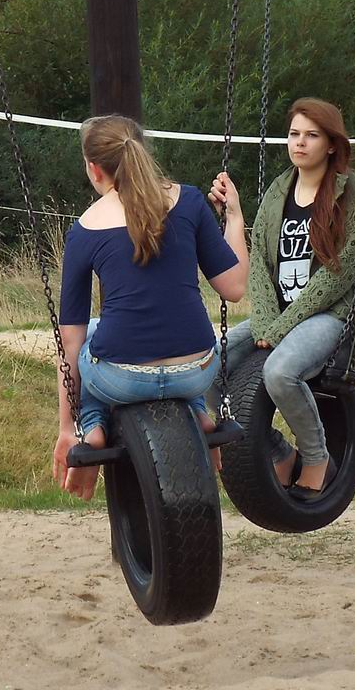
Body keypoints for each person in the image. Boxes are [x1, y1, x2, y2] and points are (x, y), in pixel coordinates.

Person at [52, 114, 250, 501]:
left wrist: (66, 427)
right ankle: (197, 411)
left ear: (94, 168)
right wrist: (234, 216)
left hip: (122, 380)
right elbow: (235, 287)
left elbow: (69, 341)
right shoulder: (189, 200)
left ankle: (92, 425)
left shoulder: (85, 228)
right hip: (196, 372)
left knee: (91, 334)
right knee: (168, 337)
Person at [206, 97, 355, 501]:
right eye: (294, 134)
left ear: (332, 144)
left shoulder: (352, 193)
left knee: (280, 372)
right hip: (279, 313)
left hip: (330, 313)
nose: (300, 143)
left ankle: (318, 458)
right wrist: (266, 320)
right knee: (207, 370)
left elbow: (340, 273)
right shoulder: (278, 190)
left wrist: (281, 328)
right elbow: (259, 261)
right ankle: (279, 452)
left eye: (311, 135)